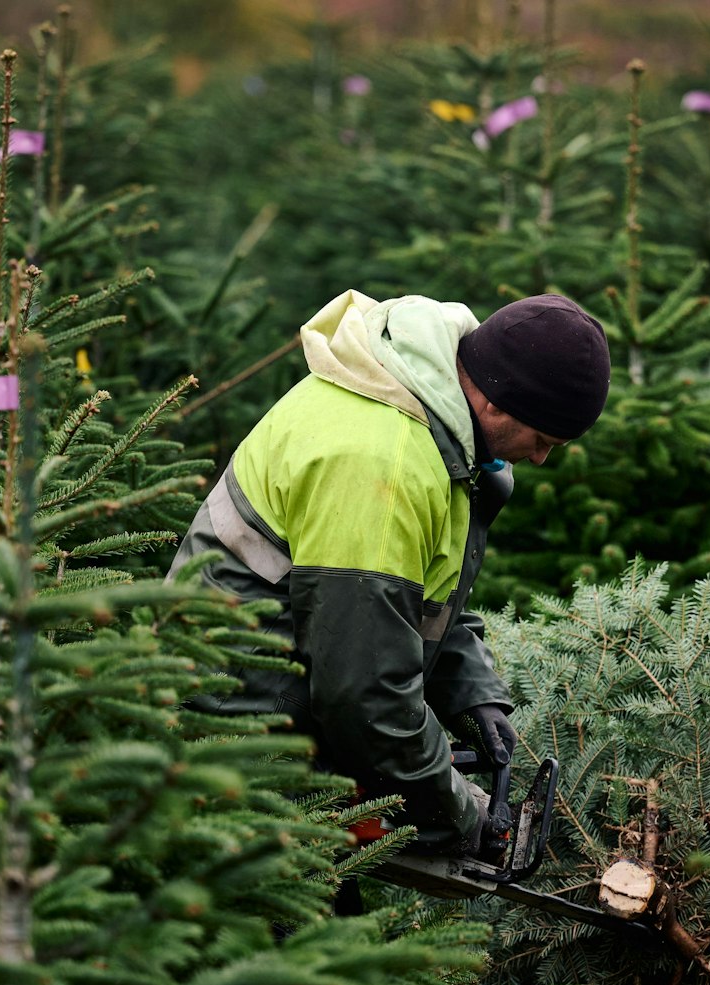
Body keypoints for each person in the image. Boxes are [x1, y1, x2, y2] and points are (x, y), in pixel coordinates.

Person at [168, 289, 611, 855]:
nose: (542, 457)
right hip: (235, 728)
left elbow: (418, 591)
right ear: (499, 404)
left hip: (281, 692)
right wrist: (458, 814)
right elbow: (364, 693)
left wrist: (472, 693)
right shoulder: (385, 464)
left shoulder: (433, 417)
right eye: (543, 439)